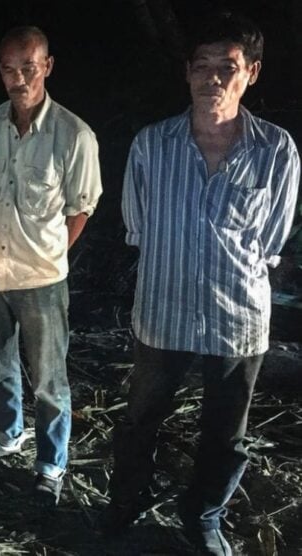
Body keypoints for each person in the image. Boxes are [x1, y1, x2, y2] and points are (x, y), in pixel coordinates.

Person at [101, 12, 299, 555]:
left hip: (237, 318)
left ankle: (204, 514)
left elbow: (271, 239)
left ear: (251, 72)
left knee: (225, 433)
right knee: (140, 418)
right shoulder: (151, 145)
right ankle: (127, 502)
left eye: (227, 67)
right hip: (162, 310)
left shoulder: (276, 150)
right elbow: (138, 224)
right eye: (202, 65)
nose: (212, 77)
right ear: (187, 72)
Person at [0, 26, 102, 508]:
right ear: (0, 72)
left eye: (28, 67)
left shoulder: (74, 135)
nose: (19, 79)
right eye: (9, 69)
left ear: (47, 66)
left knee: (48, 378)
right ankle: (7, 434)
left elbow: (81, 208)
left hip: (42, 279)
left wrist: (50, 254)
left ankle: (50, 463)